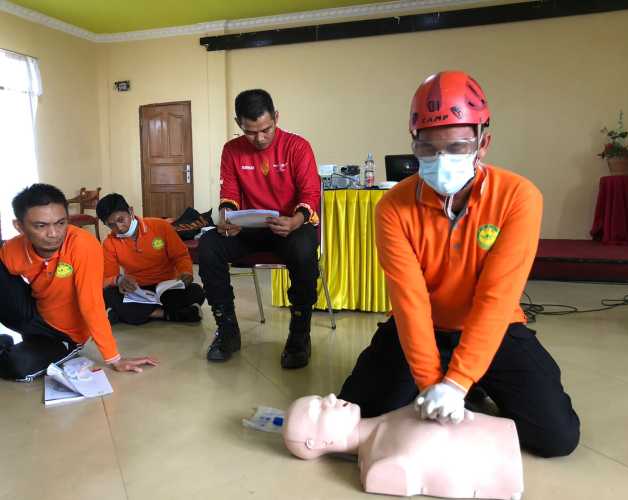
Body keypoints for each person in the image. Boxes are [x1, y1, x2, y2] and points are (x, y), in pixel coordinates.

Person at [338, 71, 580, 458]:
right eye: (428, 150)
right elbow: (409, 301)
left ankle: (474, 380)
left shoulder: (519, 197)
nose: (441, 160)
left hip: (494, 327)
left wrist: (456, 384)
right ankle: (463, 378)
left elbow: (497, 298)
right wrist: (430, 381)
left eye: (457, 147)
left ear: (483, 143)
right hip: (421, 327)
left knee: (556, 438)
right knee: (357, 412)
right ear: (413, 144)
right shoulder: (392, 208)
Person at [198, 89, 321, 368]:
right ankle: (227, 331)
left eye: (266, 129)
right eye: (251, 132)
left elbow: (311, 194)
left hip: (291, 227)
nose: (260, 138)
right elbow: (228, 193)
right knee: (208, 247)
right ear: (239, 123)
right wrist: (226, 217)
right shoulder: (232, 150)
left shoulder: (297, 146)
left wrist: (295, 221)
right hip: (249, 230)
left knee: (303, 249)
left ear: (276, 117)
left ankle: (299, 334)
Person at [0, 184, 158, 381]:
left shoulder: (82, 245)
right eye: (41, 226)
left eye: (60, 223)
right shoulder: (13, 249)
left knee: (17, 366)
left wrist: (114, 358)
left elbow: (91, 303)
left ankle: (9, 345)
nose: (54, 233)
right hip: (32, 311)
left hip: (63, 334)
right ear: (20, 226)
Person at [283, 394, 523, 500]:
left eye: (321, 398)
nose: (331, 398)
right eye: (318, 409)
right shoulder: (381, 467)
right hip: (506, 468)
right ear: (316, 443)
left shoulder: (387, 420)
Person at [96, 193, 205, 325]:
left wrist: (186, 272)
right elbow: (108, 276)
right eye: (111, 225)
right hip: (137, 290)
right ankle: (168, 314)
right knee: (108, 294)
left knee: (197, 292)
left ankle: (131, 315)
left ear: (130, 211)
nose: (119, 228)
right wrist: (118, 280)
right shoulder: (109, 244)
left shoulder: (160, 226)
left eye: (121, 219)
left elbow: (180, 255)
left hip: (167, 287)